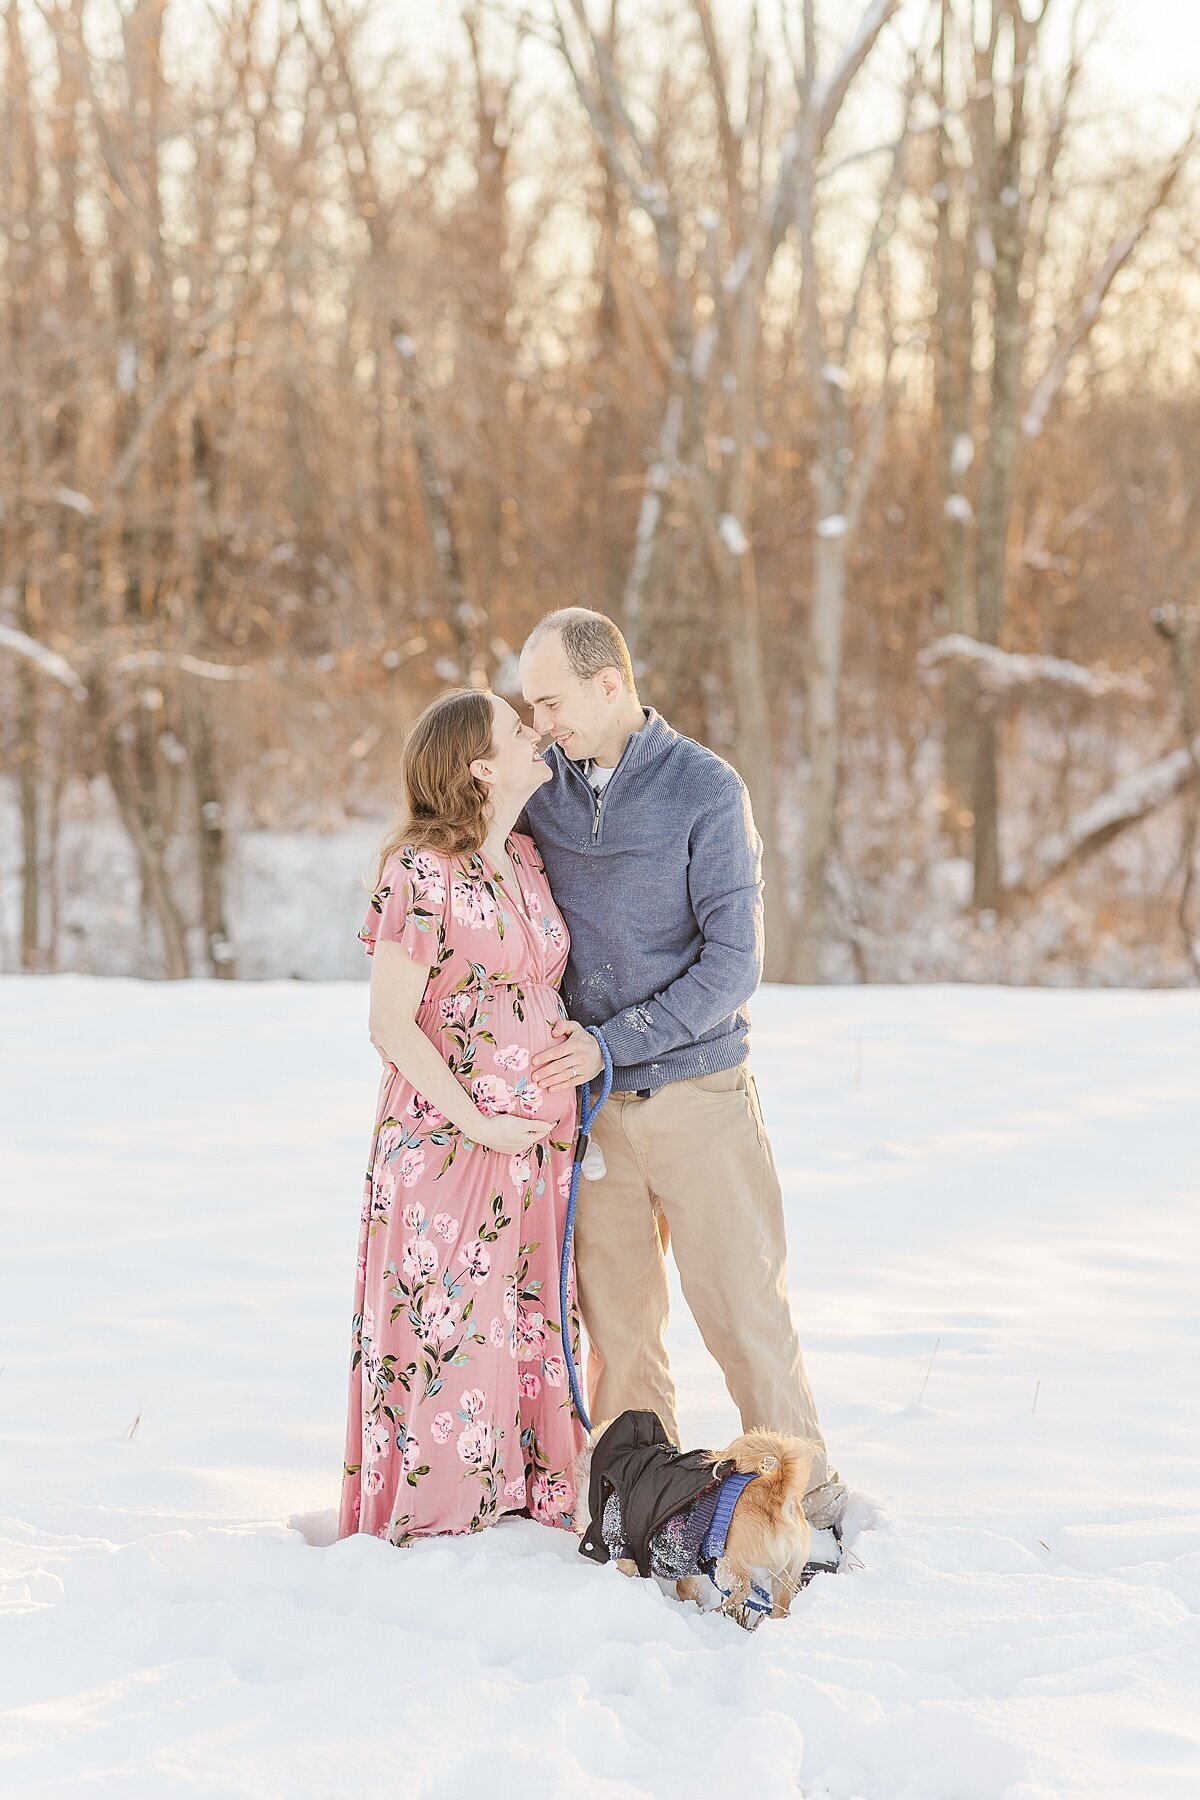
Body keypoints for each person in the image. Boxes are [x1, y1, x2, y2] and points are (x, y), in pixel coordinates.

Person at [517, 608, 846, 1530]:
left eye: (552, 701)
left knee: (743, 1311)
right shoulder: (539, 788)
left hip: (699, 1096)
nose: (540, 722)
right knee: (620, 1336)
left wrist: (616, 1040)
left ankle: (809, 1507)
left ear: (609, 683)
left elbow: (734, 963)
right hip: (595, 1112)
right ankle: (641, 1506)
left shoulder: (704, 787)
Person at [337, 687, 585, 1546]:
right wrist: (478, 1120)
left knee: (528, 1318)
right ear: (482, 766)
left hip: (536, 1150)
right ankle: (443, 1527)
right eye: (519, 730)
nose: (536, 734)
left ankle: (525, 1501)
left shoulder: (523, 858)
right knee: (456, 1330)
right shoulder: (416, 870)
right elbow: (389, 1025)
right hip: (449, 1147)